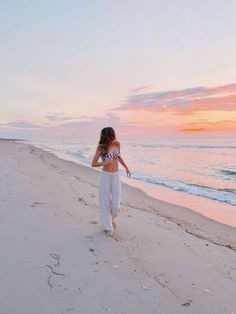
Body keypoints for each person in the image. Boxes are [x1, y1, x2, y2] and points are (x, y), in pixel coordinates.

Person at [91, 127, 131, 236]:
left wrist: (126, 167)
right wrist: (103, 163)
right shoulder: (101, 148)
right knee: (104, 201)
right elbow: (93, 163)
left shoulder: (117, 144)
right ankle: (108, 226)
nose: (110, 137)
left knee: (115, 204)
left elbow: (119, 157)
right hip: (105, 176)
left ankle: (111, 219)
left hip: (116, 176)